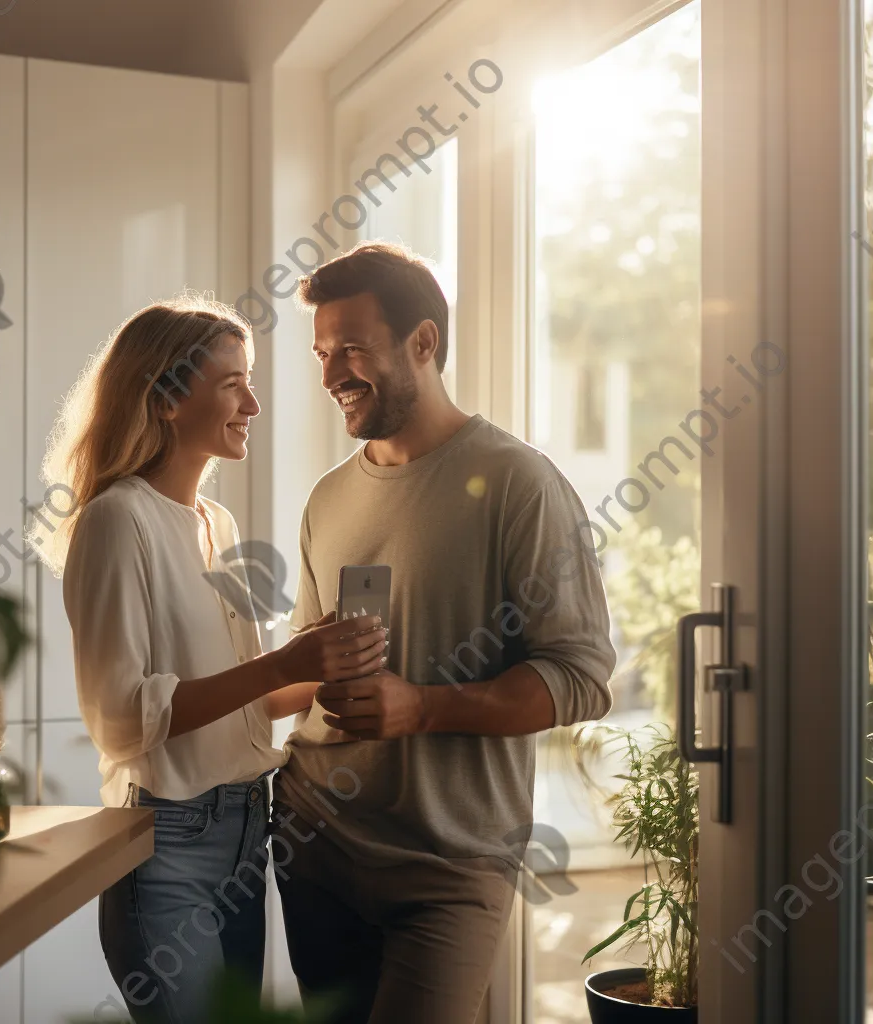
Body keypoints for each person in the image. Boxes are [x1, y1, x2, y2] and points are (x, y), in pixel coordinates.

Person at [271, 243, 617, 1024]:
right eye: (323, 353)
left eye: (352, 349)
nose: (330, 376)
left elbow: (582, 677)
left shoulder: (519, 483)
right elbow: (298, 673)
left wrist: (420, 707)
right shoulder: (327, 499)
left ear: (422, 343)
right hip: (315, 845)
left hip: (450, 868)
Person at [31, 297, 387, 1024]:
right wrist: (283, 660)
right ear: (165, 396)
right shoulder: (116, 520)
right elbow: (125, 720)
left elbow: (247, 704)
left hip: (246, 838)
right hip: (168, 848)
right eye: (233, 383)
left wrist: (327, 667)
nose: (253, 403)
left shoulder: (215, 523)